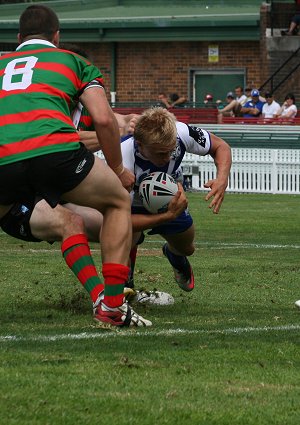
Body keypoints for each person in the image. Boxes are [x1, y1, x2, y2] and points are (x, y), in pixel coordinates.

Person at [0, 4, 151, 328]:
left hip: (4, 160)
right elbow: (102, 119)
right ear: (57, 37)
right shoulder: (73, 62)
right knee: (117, 201)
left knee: (68, 220)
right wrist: (118, 170)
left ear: (18, 38)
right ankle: (111, 303)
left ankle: (102, 297)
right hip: (54, 152)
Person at [116, 107, 232, 293]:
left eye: (170, 150)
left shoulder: (181, 132)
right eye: (161, 153)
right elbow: (120, 220)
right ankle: (124, 280)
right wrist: (164, 217)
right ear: (140, 144)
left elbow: (220, 146)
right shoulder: (122, 158)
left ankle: (174, 255)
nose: (168, 157)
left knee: (187, 248)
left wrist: (222, 179)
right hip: (132, 204)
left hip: (171, 199)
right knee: (126, 235)